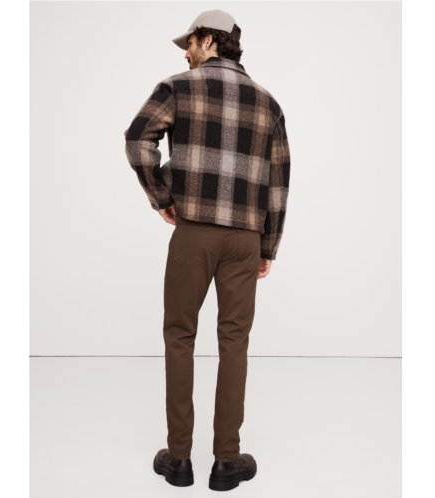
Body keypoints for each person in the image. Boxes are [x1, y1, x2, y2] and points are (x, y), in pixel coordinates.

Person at [125, 9, 290, 492]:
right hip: (244, 239)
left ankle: (178, 459)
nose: (186, 53)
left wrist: (163, 197)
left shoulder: (178, 87)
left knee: (180, 335)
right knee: (234, 342)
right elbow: (278, 182)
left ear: (210, 40)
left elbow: (137, 140)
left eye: (191, 43)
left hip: (194, 231)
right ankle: (227, 461)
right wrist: (268, 245)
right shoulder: (268, 103)